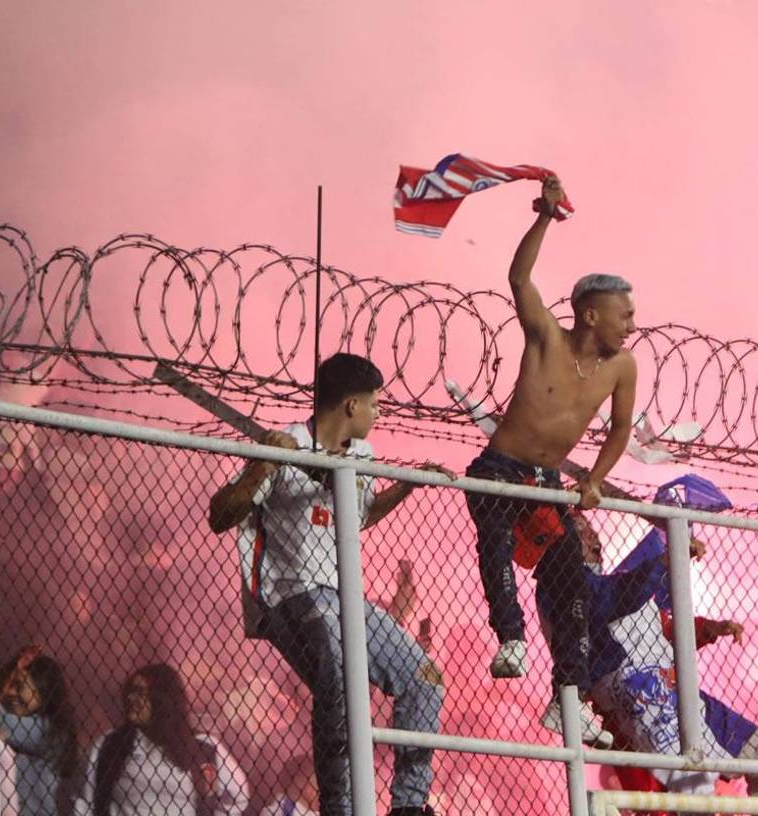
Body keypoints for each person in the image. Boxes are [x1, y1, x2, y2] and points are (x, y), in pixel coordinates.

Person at [208, 352, 449, 816]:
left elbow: (359, 516)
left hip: (342, 597)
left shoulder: (362, 456)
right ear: (351, 406)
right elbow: (221, 515)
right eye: (375, 405)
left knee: (425, 679)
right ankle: (338, 807)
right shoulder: (286, 442)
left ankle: (409, 806)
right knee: (337, 675)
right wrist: (263, 464)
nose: (379, 414)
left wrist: (407, 486)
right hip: (286, 596)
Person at [464, 175, 637, 745]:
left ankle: (568, 695)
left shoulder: (622, 367)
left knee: (572, 577)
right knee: (493, 538)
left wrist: (595, 479)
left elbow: (618, 429)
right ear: (590, 315)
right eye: (623, 314)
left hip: (545, 480)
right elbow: (519, 279)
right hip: (499, 467)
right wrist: (544, 215)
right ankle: (510, 638)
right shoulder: (547, 338)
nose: (631, 323)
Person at [541, 513, 758, 807]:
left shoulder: (612, 582)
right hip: (640, 700)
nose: (593, 537)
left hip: (681, 694)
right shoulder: (566, 587)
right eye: (581, 532)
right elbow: (615, 599)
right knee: (697, 796)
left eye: (593, 529)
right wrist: (664, 561)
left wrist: (708, 628)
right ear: (559, 542)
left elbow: (660, 628)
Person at [75, 663, 249, 816]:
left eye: (139, 692)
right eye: (130, 691)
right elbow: (85, 802)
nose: (130, 698)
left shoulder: (202, 747)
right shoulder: (110, 744)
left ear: (162, 698)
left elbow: (239, 795)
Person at [0, 645, 79, 816]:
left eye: (20, 687)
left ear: (43, 692)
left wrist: (9, 670)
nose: (12, 693)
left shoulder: (48, 730)